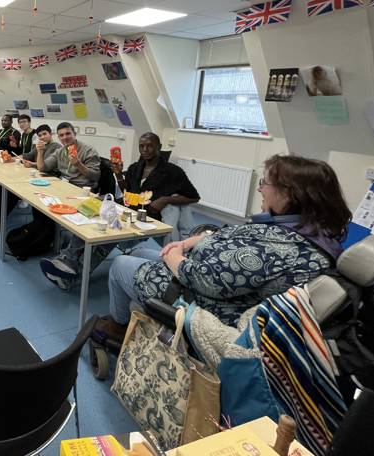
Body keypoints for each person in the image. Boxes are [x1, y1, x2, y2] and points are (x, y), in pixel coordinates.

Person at [99, 154, 351, 343]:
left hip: (205, 303)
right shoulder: (309, 229)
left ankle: (118, 328)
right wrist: (190, 241)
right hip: (209, 274)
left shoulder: (278, 246)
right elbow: (234, 242)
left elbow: (204, 280)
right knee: (140, 252)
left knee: (121, 264)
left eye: (265, 183)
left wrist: (176, 256)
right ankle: (141, 309)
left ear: (288, 195)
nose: (260, 188)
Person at [38, 123, 103, 289]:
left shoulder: (89, 151)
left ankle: (65, 262)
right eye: (61, 135)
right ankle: (47, 241)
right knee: (39, 203)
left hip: (83, 192)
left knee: (80, 224)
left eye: (68, 134)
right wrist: (39, 151)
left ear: (75, 133)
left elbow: (96, 176)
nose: (65, 137)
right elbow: (43, 167)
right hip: (65, 189)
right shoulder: (61, 151)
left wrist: (79, 164)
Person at [114, 132, 200, 240]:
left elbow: (194, 197)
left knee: (111, 233)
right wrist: (118, 173)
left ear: (159, 147)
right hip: (130, 211)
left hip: (150, 217)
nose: (145, 150)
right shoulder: (134, 168)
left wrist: (165, 200)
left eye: (149, 146)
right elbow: (127, 192)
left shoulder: (173, 171)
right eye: (141, 146)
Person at [0, 124, 59, 234]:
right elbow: (27, 155)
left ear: (50, 134)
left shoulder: (56, 147)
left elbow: (46, 166)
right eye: (40, 135)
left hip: (48, 178)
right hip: (34, 175)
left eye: (45, 134)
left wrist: (32, 164)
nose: (42, 137)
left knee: (13, 191)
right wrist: (12, 158)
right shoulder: (39, 145)